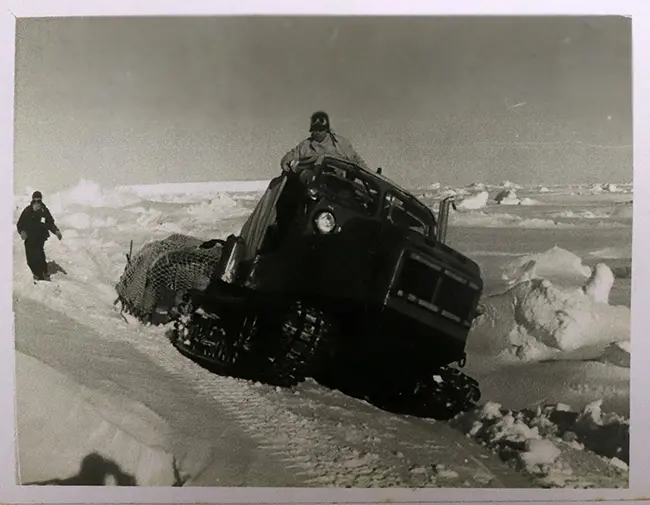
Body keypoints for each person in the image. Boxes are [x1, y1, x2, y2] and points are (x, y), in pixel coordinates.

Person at [280, 111, 370, 173]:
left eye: (321, 129)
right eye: (315, 130)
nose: (318, 132)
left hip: (339, 184)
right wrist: (285, 161)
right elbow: (292, 155)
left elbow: (356, 160)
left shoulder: (340, 143)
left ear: (326, 130)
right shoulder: (305, 146)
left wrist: (369, 174)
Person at [16, 191, 63, 281]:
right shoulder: (28, 210)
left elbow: (50, 222)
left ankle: (42, 274)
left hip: (40, 237)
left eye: (39, 201)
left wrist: (56, 231)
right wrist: (22, 231)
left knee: (39, 255)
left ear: (41, 201)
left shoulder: (44, 210)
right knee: (30, 258)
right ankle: (38, 272)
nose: (37, 203)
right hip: (29, 237)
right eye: (35, 201)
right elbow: (20, 223)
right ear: (32, 201)